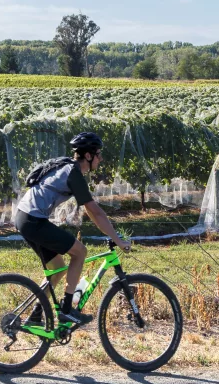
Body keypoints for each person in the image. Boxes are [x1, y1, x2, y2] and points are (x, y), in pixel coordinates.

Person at [14, 132, 131, 326]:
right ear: (88, 155)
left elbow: (92, 212)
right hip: (33, 220)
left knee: (57, 269)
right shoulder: (73, 173)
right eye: (98, 154)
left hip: (25, 218)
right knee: (80, 252)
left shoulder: (68, 167)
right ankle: (67, 310)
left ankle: (35, 315)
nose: (101, 159)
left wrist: (112, 234)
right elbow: (95, 212)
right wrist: (117, 239)